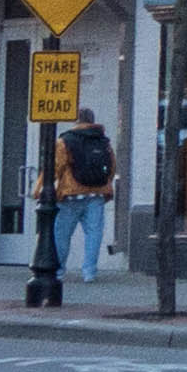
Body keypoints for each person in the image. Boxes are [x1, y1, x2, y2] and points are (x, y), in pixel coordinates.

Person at [49, 104, 118, 282]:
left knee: (61, 234)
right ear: (93, 120)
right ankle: (89, 273)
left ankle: (58, 272)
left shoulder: (66, 140)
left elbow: (56, 167)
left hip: (71, 194)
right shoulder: (104, 141)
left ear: (76, 120)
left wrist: (40, 188)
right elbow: (111, 167)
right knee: (94, 235)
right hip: (96, 195)